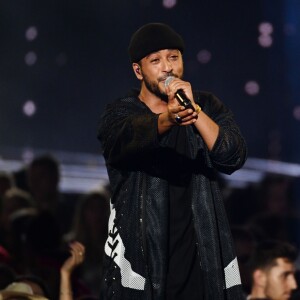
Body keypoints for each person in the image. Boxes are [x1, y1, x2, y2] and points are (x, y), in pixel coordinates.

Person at [97, 22, 247, 299]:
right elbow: (127, 139)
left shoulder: (207, 105)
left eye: (173, 57)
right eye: (156, 60)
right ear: (138, 70)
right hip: (141, 270)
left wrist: (193, 111)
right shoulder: (120, 113)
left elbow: (232, 155)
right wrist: (169, 118)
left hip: (202, 262)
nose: (167, 67)